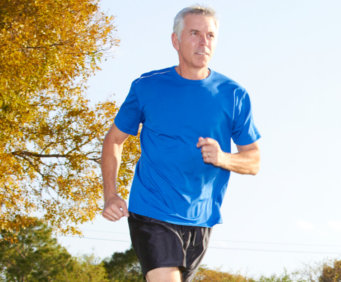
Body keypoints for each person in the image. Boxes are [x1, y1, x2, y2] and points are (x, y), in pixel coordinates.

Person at [100, 5, 261, 282]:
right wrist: (111, 193)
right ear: (176, 40)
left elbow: (254, 160)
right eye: (195, 33)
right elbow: (114, 140)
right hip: (151, 210)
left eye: (210, 35)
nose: (203, 42)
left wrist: (223, 158)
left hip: (202, 218)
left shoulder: (233, 94)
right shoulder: (147, 86)